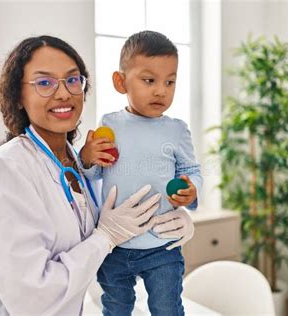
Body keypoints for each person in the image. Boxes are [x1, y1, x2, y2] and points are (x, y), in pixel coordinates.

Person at [0, 35, 195, 316]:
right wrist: (105, 237)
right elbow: (32, 298)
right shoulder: (5, 169)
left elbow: (114, 212)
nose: (63, 93)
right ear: (18, 96)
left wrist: (170, 213)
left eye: (73, 80)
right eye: (44, 83)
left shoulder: (76, 161)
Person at [80, 31, 203, 316]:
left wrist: (191, 189)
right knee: (116, 308)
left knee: (167, 308)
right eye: (149, 80)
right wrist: (87, 157)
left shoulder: (177, 129)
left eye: (170, 81)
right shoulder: (109, 123)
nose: (161, 90)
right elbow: (95, 172)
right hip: (115, 246)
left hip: (162, 245)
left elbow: (191, 170)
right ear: (120, 82)